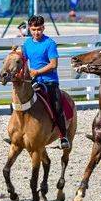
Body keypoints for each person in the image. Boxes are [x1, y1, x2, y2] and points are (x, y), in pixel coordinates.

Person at [22, 15, 70, 149]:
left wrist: (37, 72)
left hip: (50, 81)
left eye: (39, 29)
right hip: (32, 81)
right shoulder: (26, 44)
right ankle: (19, 133)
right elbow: (24, 61)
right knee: (17, 102)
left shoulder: (50, 43)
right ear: (29, 29)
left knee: (57, 106)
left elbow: (53, 64)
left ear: (43, 28)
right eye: (33, 29)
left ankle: (63, 136)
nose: (36, 32)